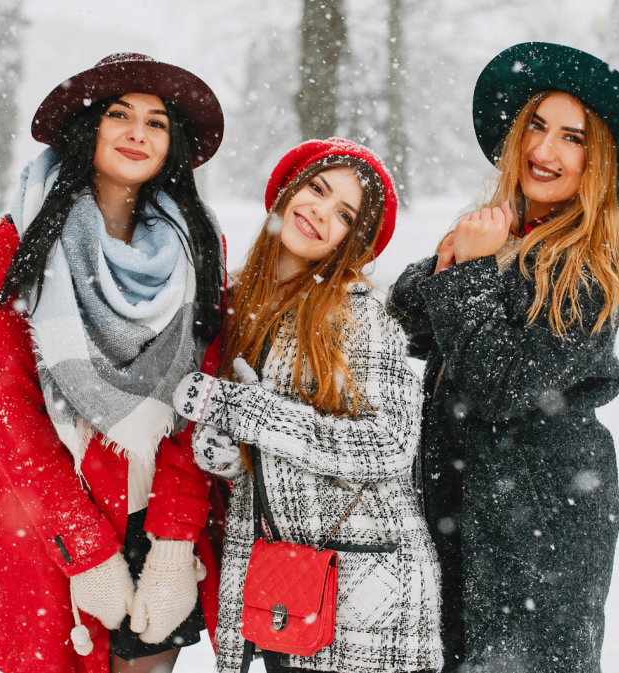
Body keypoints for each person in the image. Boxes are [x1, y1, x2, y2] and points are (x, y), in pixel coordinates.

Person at [387, 43, 619, 673]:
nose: (544, 149)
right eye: (537, 126)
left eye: (572, 138)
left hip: (540, 519)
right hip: (459, 496)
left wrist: (471, 272)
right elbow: (406, 322)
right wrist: (450, 263)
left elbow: (501, 385)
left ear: (597, 162)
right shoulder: (502, 232)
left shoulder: (588, 266)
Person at [0, 53, 230, 673]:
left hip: (157, 507)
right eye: (120, 115)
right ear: (89, 127)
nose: (138, 133)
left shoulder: (200, 245)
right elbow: (9, 407)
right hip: (54, 512)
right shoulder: (16, 240)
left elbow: (204, 394)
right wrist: (83, 548)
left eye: (156, 122)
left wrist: (172, 541)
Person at [172, 139, 444, 673]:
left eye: (344, 214)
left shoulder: (359, 314)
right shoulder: (240, 301)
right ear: (287, 192)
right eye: (316, 189)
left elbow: (388, 445)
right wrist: (227, 452)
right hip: (286, 586)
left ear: (352, 241)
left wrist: (243, 410)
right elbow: (278, 445)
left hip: (366, 596)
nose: (320, 211)